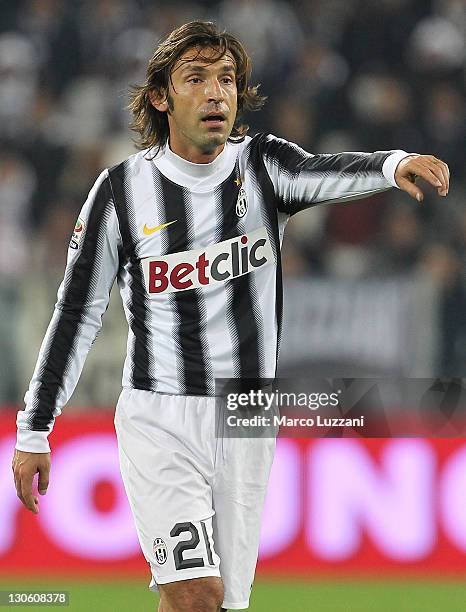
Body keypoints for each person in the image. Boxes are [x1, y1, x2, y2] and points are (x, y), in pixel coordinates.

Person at [12, 21, 450, 612]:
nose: (217, 93)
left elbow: (328, 172)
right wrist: (35, 427)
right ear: (162, 97)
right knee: (197, 594)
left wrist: (392, 164)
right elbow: (76, 314)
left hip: (247, 414)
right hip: (159, 415)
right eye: (196, 79)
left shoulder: (264, 167)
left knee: (219, 605)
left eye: (226, 79)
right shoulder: (120, 192)